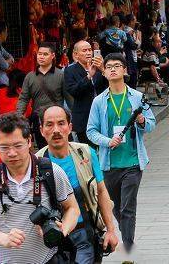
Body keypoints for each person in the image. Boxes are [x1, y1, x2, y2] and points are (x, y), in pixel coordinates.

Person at [0, 113, 80, 264]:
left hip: (48, 260)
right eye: (4, 147)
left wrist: (63, 229)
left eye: (18, 146)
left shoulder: (50, 171)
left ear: (29, 141)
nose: (12, 153)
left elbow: (72, 208)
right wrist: (4, 239)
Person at [85, 53, 156, 252]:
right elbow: (91, 130)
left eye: (118, 66)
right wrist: (107, 141)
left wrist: (142, 121)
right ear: (105, 72)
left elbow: (151, 124)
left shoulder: (137, 97)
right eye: (109, 67)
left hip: (133, 162)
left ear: (125, 71)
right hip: (109, 163)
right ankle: (126, 236)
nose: (113, 69)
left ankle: (128, 246)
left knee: (128, 207)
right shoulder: (99, 101)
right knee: (116, 206)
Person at [37, 106, 119, 264]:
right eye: (49, 125)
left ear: (70, 127)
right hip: (53, 241)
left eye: (61, 123)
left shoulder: (87, 153)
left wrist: (110, 230)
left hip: (86, 233)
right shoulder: (36, 162)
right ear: (41, 130)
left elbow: (101, 192)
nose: (56, 130)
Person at [17, 43, 65, 146]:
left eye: (45, 54)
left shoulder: (61, 75)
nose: (41, 57)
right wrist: (19, 116)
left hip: (57, 118)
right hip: (38, 120)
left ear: (52, 56)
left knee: (59, 148)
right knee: (43, 149)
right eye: (39, 54)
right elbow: (24, 98)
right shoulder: (30, 77)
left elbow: (69, 98)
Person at [64, 41, 108, 145]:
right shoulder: (70, 71)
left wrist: (103, 69)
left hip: (102, 112)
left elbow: (110, 85)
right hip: (83, 116)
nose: (88, 53)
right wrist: (88, 77)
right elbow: (74, 91)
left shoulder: (99, 67)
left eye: (89, 50)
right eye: (84, 50)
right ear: (75, 54)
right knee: (87, 151)